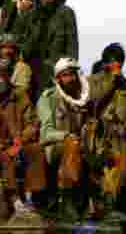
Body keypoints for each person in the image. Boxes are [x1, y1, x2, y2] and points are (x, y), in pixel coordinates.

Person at [0, 62, 47, 216]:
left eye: (4, 74)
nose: (0, 78)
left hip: (18, 142)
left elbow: (33, 122)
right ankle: (14, 199)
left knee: (36, 150)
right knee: (2, 157)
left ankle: (32, 197)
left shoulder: (20, 95)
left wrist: (21, 140)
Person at [85, 44, 126, 217]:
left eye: (119, 61)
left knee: (125, 162)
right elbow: (94, 102)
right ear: (105, 62)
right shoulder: (92, 81)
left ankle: (114, 205)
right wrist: (112, 81)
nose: (116, 64)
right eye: (112, 61)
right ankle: (103, 204)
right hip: (98, 135)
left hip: (121, 136)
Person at [36, 57, 95, 220]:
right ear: (58, 78)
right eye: (65, 75)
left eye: (72, 74)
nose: (70, 78)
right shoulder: (48, 98)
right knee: (73, 145)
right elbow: (45, 134)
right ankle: (66, 200)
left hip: (81, 146)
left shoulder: (84, 99)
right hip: (54, 148)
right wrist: (66, 136)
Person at [25, 0, 78, 93]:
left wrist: (69, 69)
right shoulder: (31, 16)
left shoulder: (65, 13)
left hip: (59, 67)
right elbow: (25, 48)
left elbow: (72, 44)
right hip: (35, 68)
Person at [0, 34, 35, 99]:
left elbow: (23, 90)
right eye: (4, 47)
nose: (8, 51)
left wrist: (7, 86)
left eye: (11, 48)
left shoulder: (22, 67)